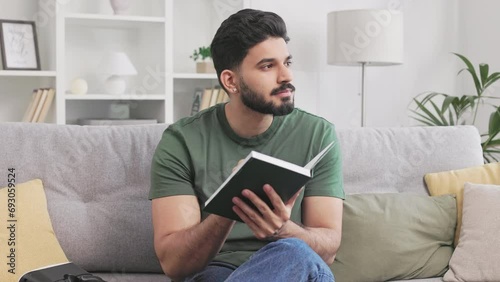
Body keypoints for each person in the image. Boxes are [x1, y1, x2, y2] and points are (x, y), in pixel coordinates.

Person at [150, 8, 344, 282]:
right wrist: (231, 201)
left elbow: (328, 248)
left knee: (294, 252)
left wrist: (283, 229)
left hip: (296, 266)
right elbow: (175, 265)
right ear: (230, 81)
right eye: (268, 66)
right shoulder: (181, 141)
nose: (286, 76)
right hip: (218, 272)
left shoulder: (318, 135)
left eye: (287, 62)